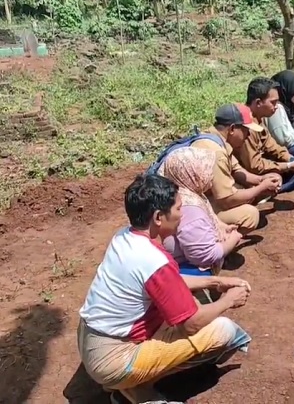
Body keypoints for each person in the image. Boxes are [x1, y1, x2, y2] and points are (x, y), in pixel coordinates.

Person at [77, 174, 252, 404]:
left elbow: (167, 282)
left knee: (191, 302)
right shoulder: (154, 260)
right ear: (158, 217)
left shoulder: (125, 237)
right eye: (179, 208)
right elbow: (190, 324)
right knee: (224, 331)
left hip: (90, 341)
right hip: (114, 360)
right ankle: (134, 386)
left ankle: (129, 384)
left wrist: (215, 282)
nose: (182, 214)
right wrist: (228, 300)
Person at [192, 103, 281, 235]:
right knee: (250, 215)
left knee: (242, 188)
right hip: (191, 209)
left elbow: (237, 170)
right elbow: (227, 200)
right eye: (246, 130)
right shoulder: (216, 152)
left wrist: (261, 179)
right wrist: (260, 188)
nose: (248, 135)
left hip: (196, 200)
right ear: (232, 129)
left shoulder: (214, 137)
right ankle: (218, 243)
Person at [160, 147, 242, 277]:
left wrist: (221, 228)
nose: (210, 175)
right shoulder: (190, 208)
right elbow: (204, 257)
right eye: (205, 170)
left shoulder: (182, 192)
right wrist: (232, 240)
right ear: (192, 174)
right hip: (184, 268)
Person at [236, 77, 294, 194]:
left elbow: (270, 144)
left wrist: (290, 158)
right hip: (240, 171)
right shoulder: (246, 126)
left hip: (250, 165)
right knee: (274, 179)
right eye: (273, 102)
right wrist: (288, 165)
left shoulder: (258, 118)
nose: (276, 106)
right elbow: (254, 165)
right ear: (258, 103)